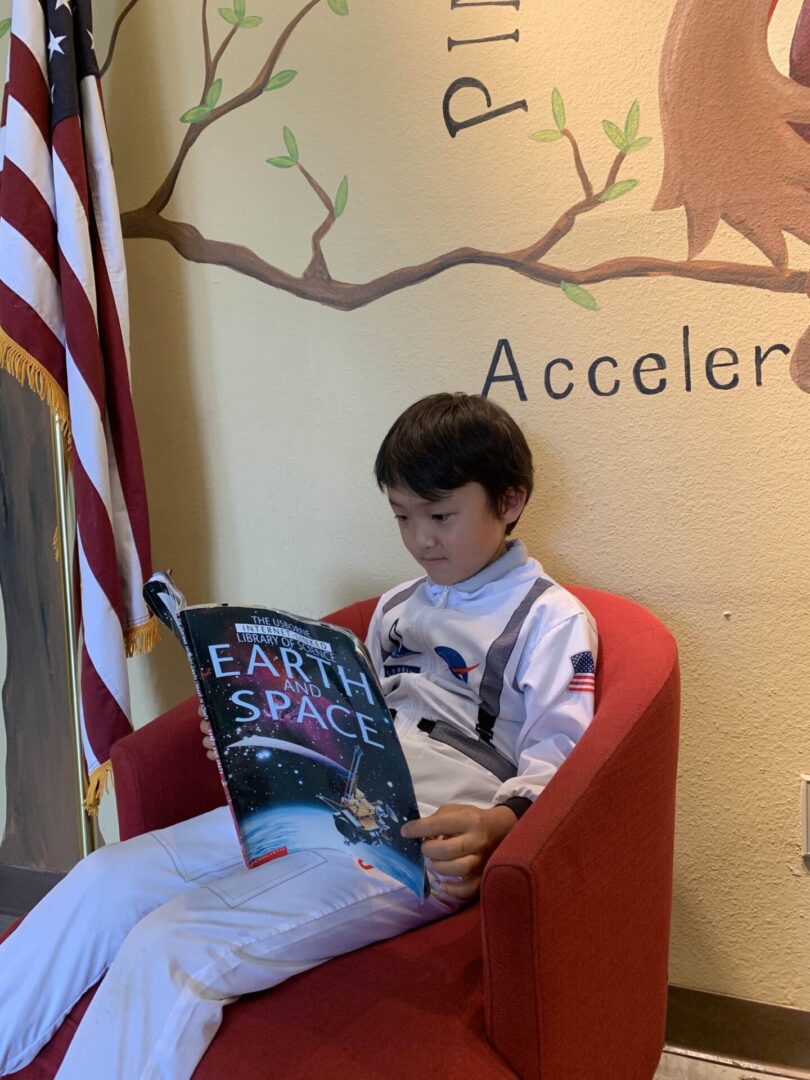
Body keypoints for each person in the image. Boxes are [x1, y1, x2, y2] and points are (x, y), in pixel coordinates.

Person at [0, 392, 597, 1080]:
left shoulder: (553, 619)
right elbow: (356, 718)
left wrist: (496, 826)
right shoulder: (396, 607)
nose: (421, 539)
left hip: (421, 838)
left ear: (510, 501)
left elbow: (567, 760)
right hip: (327, 802)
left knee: (173, 941)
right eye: (403, 517)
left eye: (441, 516)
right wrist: (251, 731)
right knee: (105, 876)